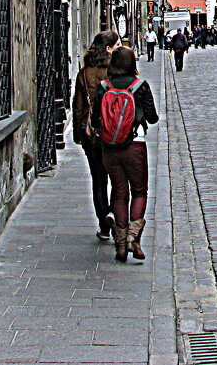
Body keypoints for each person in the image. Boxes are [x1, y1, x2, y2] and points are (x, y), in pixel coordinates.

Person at [91, 46, 158, 262]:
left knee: (119, 192)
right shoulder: (140, 86)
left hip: (109, 148)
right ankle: (132, 237)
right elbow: (153, 117)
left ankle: (120, 244)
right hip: (135, 145)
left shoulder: (103, 87)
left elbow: (94, 120)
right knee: (139, 191)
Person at [73, 30, 120, 241]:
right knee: (117, 179)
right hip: (113, 132)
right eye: (117, 45)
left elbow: (78, 106)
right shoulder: (116, 71)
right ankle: (112, 213)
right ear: (109, 48)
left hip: (91, 133)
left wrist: (78, 132)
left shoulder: (84, 73)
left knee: (98, 179)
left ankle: (104, 225)